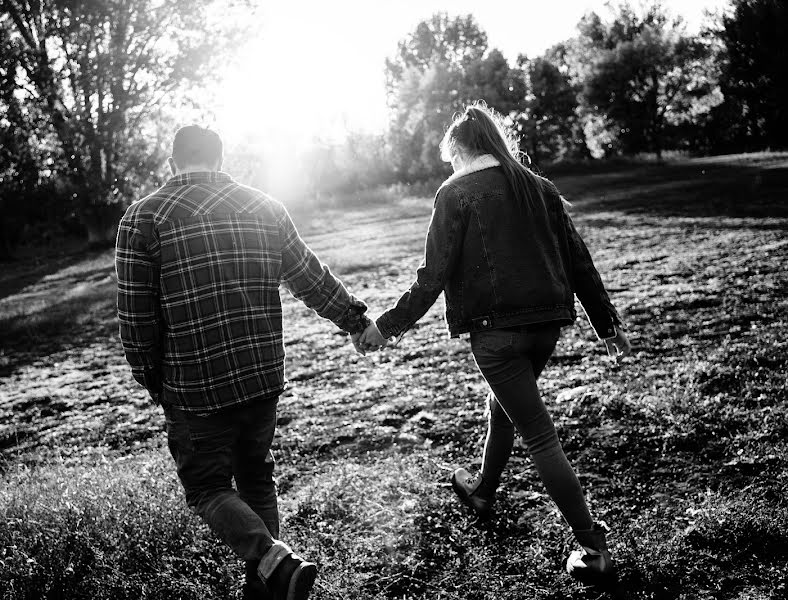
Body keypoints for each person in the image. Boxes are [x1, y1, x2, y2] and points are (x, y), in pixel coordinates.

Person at [358, 102, 632, 585]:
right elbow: (578, 258)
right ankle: (484, 490)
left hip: (496, 334)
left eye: (450, 156)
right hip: (546, 325)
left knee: (539, 435)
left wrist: (386, 327)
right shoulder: (538, 186)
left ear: (460, 148)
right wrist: (605, 323)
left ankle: (592, 546)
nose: (451, 165)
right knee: (501, 407)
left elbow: (432, 277)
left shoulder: (456, 192)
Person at [115, 125, 371, 600]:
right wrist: (354, 320)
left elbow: (137, 322)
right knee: (256, 475)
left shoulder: (142, 219)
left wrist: (157, 385)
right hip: (261, 377)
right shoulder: (265, 207)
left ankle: (275, 560)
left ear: (172, 162)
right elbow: (310, 278)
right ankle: (269, 585)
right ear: (219, 158)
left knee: (207, 487)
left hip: (195, 388)